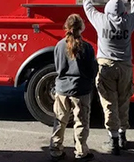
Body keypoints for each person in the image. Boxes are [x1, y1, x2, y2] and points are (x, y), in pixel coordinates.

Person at [82, 0, 134, 155]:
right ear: (123, 12)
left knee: (109, 102)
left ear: (107, 10)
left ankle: (113, 139)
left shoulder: (101, 21)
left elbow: (88, 9)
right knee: (124, 101)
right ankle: (123, 136)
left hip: (106, 67)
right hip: (125, 67)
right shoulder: (128, 22)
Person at [49, 14, 97, 162]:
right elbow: (92, 71)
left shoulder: (59, 45)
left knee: (60, 120)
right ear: (82, 28)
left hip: (62, 88)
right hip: (80, 89)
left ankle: (56, 149)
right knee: (81, 121)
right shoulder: (87, 47)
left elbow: (58, 67)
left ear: (66, 27)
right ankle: (81, 151)